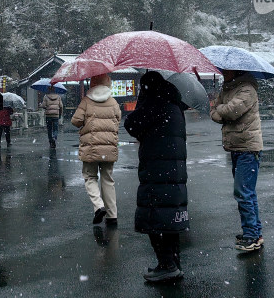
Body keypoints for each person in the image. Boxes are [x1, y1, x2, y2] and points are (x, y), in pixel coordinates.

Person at [124, 71, 188, 283]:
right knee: (170, 217)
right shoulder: (174, 105)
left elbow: (131, 125)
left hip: (156, 168)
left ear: (147, 88)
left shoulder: (154, 105)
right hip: (175, 171)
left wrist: (142, 102)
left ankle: (166, 264)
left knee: (155, 217)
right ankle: (174, 263)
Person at [210, 69, 263, 251]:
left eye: (226, 70)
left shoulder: (247, 89)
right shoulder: (228, 88)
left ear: (236, 70)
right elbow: (215, 112)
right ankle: (254, 232)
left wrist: (220, 110)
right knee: (247, 192)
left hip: (248, 148)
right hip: (236, 146)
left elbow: (231, 112)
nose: (223, 73)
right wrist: (220, 110)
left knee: (243, 193)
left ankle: (251, 235)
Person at [71, 73, 121, 226]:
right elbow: (118, 119)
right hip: (108, 147)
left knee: (90, 177)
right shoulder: (113, 102)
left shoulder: (86, 101)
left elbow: (76, 121)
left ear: (92, 84)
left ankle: (99, 206)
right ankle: (112, 216)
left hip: (91, 147)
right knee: (108, 180)